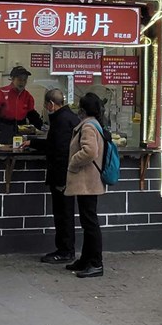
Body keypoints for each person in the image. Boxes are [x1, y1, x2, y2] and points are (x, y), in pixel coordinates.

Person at [26, 88, 79, 264]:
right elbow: (53, 144)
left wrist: (60, 179)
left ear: (51, 104)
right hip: (67, 174)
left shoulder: (61, 120)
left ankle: (65, 251)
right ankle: (65, 249)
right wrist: (33, 142)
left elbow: (60, 150)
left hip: (62, 175)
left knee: (63, 213)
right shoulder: (69, 117)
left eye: (46, 104)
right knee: (65, 212)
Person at [65, 92, 106, 279]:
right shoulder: (95, 124)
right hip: (90, 180)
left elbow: (90, 151)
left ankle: (96, 263)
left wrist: (73, 163)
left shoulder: (88, 126)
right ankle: (86, 259)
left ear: (82, 109)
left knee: (90, 223)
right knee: (88, 220)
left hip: (86, 180)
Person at [0, 65, 42, 145]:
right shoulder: (1, 93)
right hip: (1, 130)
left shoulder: (28, 96)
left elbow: (32, 115)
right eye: (19, 80)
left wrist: (42, 127)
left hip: (19, 131)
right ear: (12, 79)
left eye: (24, 80)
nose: (22, 83)